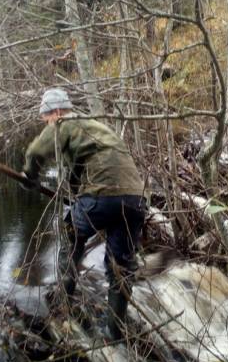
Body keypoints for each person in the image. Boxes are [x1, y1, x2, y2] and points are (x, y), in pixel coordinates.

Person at [21, 87, 146, 340]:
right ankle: (116, 332)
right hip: (135, 199)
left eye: (46, 118)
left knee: (70, 237)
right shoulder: (95, 127)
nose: (47, 122)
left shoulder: (65, 123)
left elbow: (36, 153)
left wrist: (29, 176)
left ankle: (64, 307)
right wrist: (79, 195)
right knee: (120, 266)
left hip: (101, 195)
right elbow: (85, 169)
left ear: (56, 112)